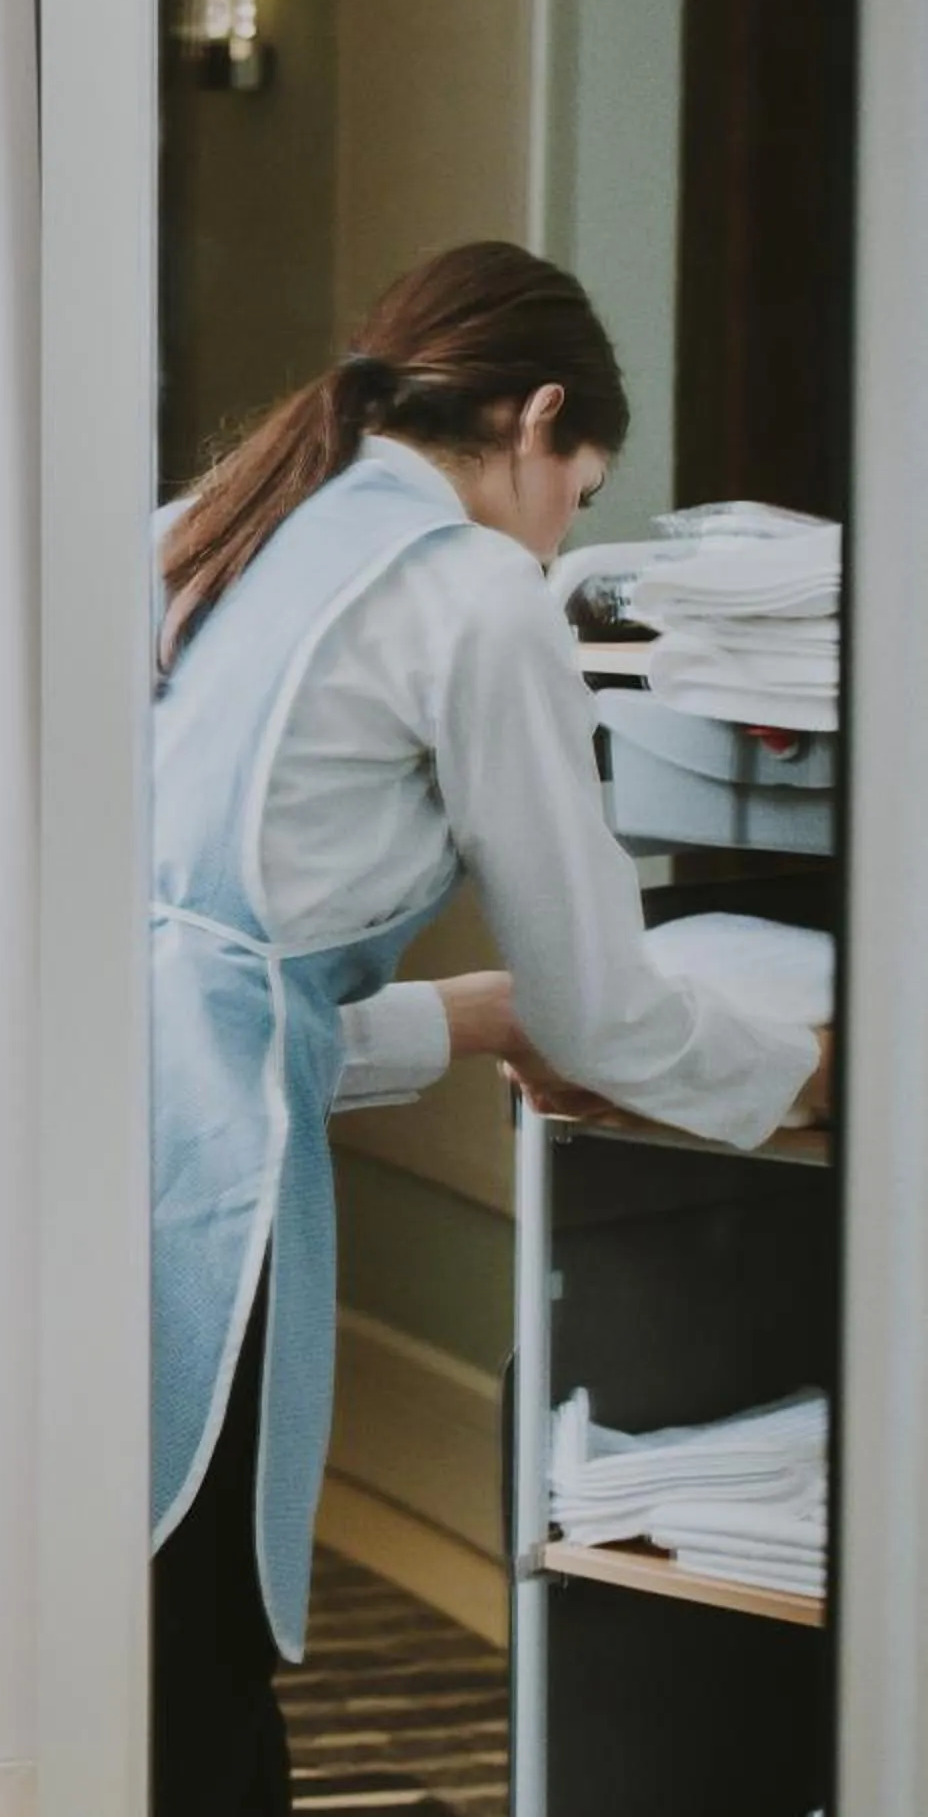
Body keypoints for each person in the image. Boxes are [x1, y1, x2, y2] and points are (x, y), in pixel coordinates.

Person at [147, 240, 832, 1816]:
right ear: (536, 424)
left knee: (137, 1632)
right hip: (201, 1183)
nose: (560, 538)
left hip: (84, 1132)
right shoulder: (469, 594)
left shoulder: (207, 531)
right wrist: (803, 1071)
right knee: (204, 1656)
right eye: (579, 498)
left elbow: (220, 962)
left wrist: (459, 1018)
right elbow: (603, 1004)